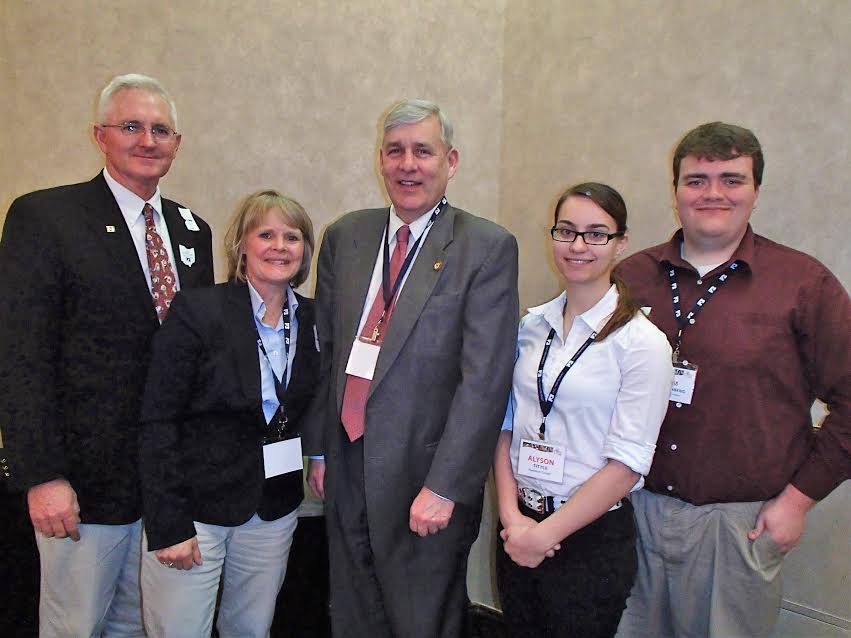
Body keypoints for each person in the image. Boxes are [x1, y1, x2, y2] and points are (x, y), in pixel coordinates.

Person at [615, 122, 851, 638]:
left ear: (756, 192)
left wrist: (798, 500)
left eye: (732, 179)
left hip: (739, 525)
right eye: (696, 180)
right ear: (674, 191)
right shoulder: (631, 277)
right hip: (631, 512)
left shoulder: (803, 285)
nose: (713, 193)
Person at [0, 73, 213, 637]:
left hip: (165, 487)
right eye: (131, 126)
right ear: (100, 136)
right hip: (82, 487)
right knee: (76, 625)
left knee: (138, 627)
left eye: (160, 129)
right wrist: (40, 474)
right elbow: (21, 355)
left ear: (177, 143)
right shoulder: (45, 218)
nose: (147, 140)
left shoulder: (195, 234)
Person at [305, 99, 519, 638]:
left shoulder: (485, 247)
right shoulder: (346, 237)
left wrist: (446, 486)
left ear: (451, 161)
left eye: (423, 151)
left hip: (424, 473)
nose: (408, 165)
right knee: (353, 614)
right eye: (395, 151)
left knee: (420, 621)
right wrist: (321, 448)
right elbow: (326, 352)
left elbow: (485, 380)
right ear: (380, 159)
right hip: (348, 461)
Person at [494, 183, 673, 638]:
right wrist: (513, 517)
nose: (577, 246)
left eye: (596, 234)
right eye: (567, 231)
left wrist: (546, 533)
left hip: (589, 540)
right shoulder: (532, 326)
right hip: (519, 529)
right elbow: (505, 426)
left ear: (620, 243)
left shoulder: (642, 343)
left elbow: (629, 462)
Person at [138, 190, 320, 637]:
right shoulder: (199, 312)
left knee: (251, 630)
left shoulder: (315, 320)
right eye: (266, 234)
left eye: (292, 237)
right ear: (241, 246)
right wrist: (168, 524)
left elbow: (315, 404)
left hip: (273, 509)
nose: (279, 246)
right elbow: (157, 420)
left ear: (305, 251)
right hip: (196, 512)